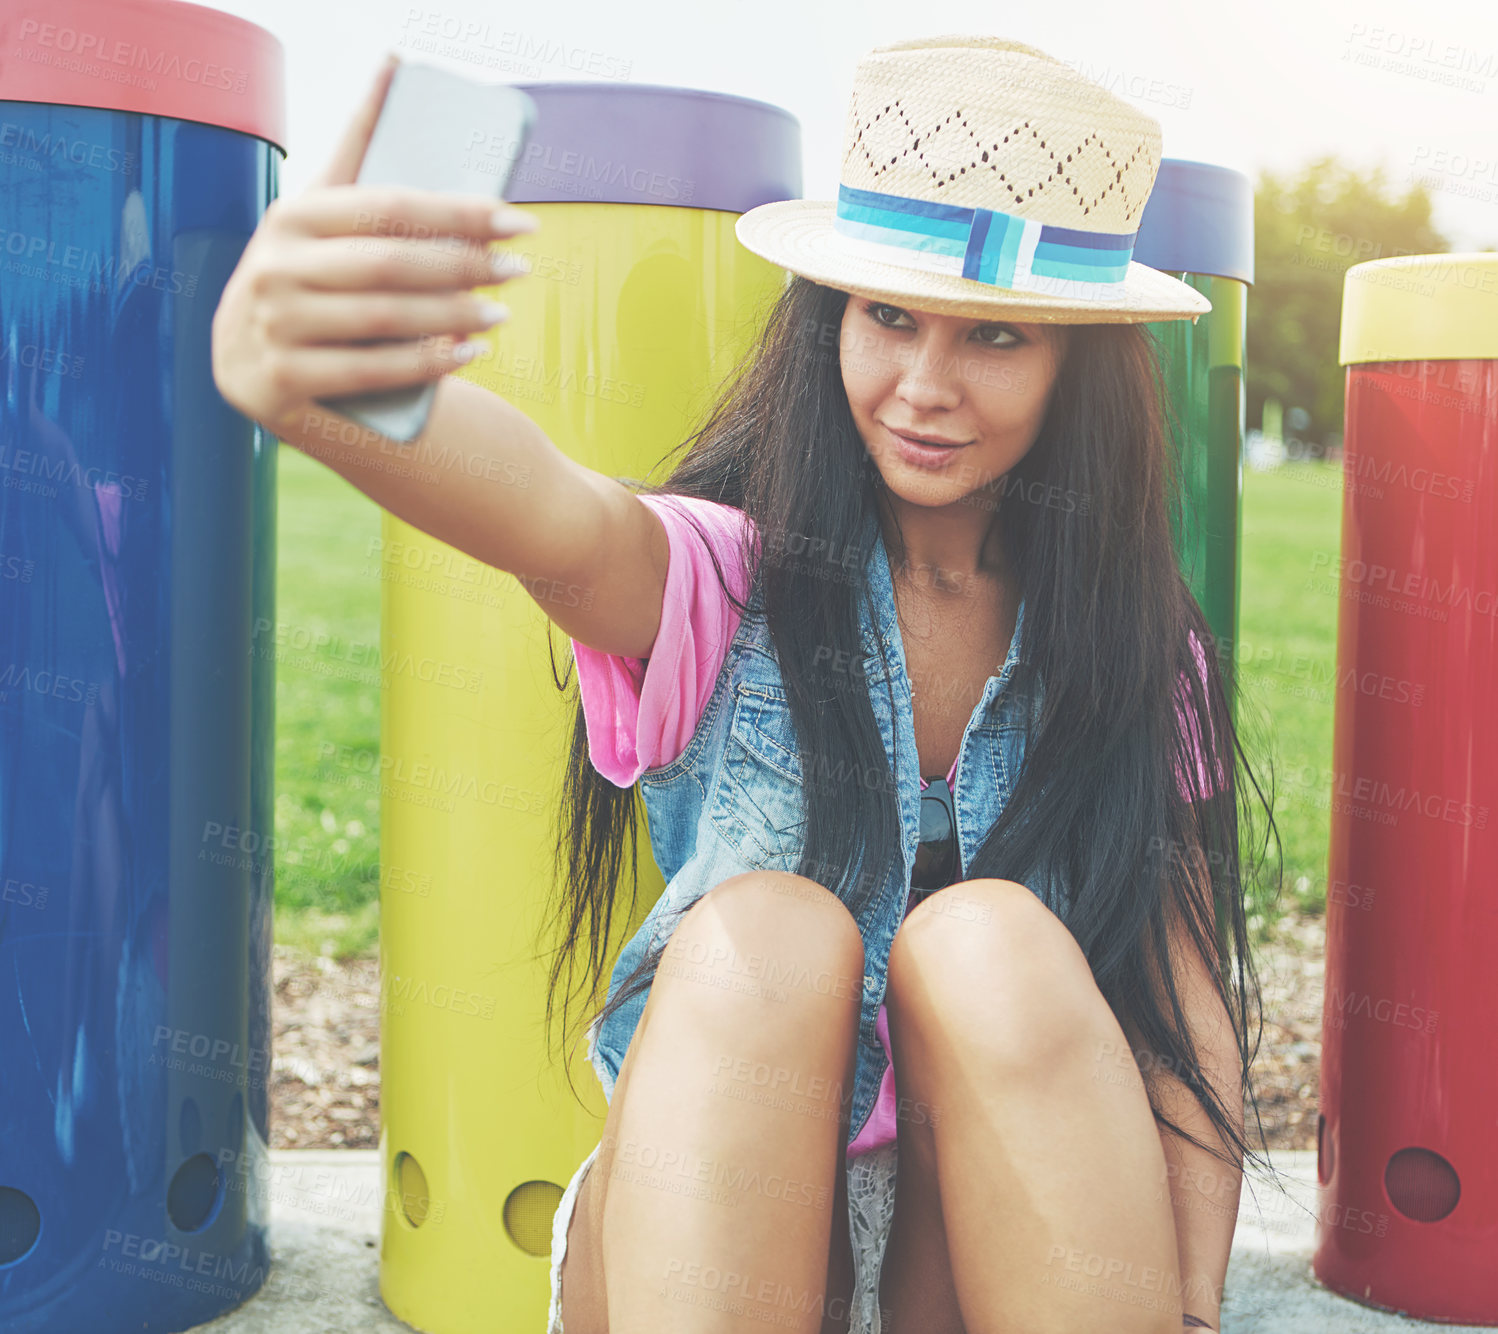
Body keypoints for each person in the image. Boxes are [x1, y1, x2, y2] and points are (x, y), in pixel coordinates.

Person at [212, 35, 1284, 1334]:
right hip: (707, 1227)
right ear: (830, 317)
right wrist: (316, 377)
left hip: (1017, 1234)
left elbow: (1182, 1016)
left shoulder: (1129, 650)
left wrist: (1183, 1304)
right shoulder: (720, 585)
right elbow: (551, 512)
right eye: (886, 316)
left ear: (1076, 367)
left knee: (990, 942)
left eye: (994, 335)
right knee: (766, 934)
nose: (923, 387)